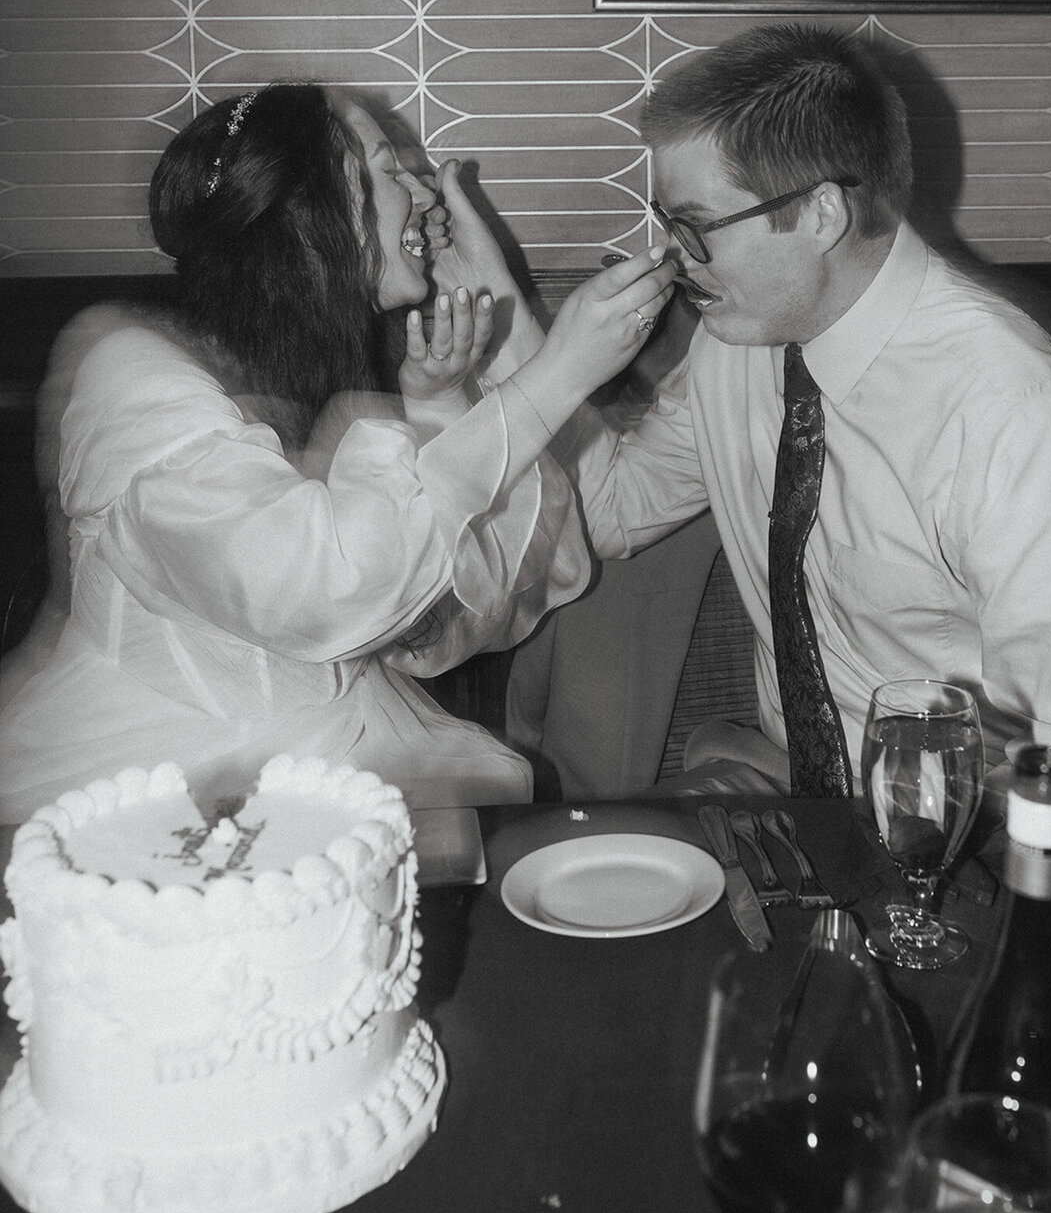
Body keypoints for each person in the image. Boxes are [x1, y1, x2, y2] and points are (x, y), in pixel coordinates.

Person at [500, 26, 1051, 794]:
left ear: (820, 215)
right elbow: (609, 509)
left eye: (696, 227)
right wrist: (516, 329)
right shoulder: (735, 343)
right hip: (784, 788)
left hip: (957, 829)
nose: (674, 256)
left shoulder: (1016, 417)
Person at [0, 82, 674, 821]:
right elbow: (327, 587)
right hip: (151, 789)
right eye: (389, 169)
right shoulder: (131, 372)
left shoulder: (354, 365)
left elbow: (468, 611)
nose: (422, 190)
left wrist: (443, 399)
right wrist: (560, 373)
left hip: (330, 765)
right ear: (313, 208)